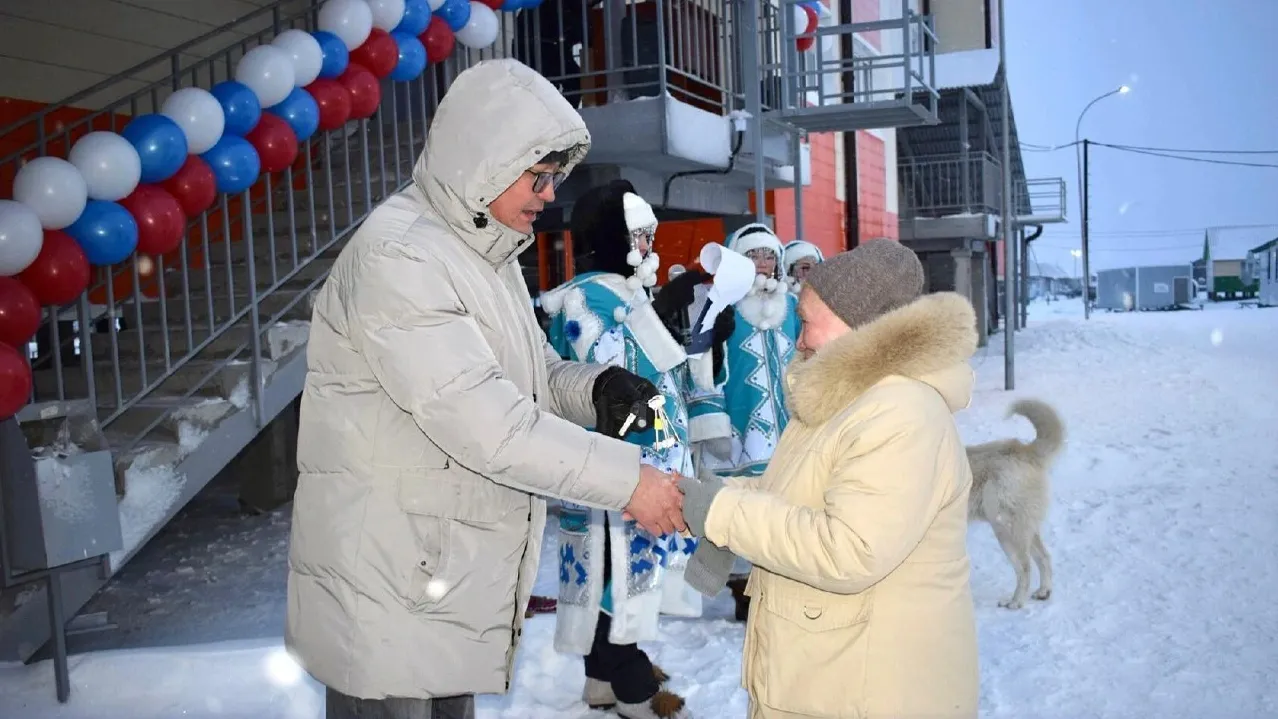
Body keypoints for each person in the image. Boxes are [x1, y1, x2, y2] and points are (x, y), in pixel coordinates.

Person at [285, 58, 688, 719]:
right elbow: (491, 424)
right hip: (389, 577)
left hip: (438, 572)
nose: (548, 194)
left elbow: (526, 377)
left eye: (554, 177)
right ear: (484, 160)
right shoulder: (403, 258)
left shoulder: (483, 251)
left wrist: (595, 389)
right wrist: (631, 482)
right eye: (538, 175)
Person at [677, 239, 981, 719]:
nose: (799, 341)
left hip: (871, 692)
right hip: (829, 677)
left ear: (857, 325)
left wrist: (723, 514)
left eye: (807, 322)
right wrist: (706, 497)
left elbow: (849, 550)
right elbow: (793, 493)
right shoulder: (849, 398)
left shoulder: (899, 413)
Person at [540, 180, 733, 719]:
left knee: (606, 573)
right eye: (641, 237)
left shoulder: (618, 295)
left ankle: (602, 680)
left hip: (629, 467)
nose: (650, 248)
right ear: (614, 238)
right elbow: (612, 385)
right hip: (624, 470)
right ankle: (632, 689)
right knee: (619, 579)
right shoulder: (597, 299)